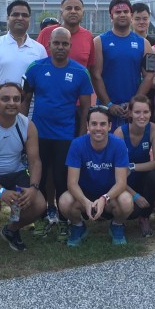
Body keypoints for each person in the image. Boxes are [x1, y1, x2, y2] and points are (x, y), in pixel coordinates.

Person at [22, 26, 93, 225]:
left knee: (63, 178)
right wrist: (21, 130)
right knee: (41, 177)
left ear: (70, 46)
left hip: (66, 135)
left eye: (64, 44)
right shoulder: (35, 68)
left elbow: (86, 108)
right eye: (56, 43)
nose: (60, 47)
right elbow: (25, 101)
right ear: (48, 45)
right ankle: (44, 214)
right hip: (39, 134)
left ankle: (64, 217)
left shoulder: (80, 72)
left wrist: (80, 137)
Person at [0, 83, 47, 256]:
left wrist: (33, 188)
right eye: (5, 99)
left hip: (16, 173)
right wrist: (1, 192)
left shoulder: (27, 125)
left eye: (16, 99)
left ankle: (11, 230)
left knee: (39, 204)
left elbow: (35, 161)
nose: (11, 103)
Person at [60, 106, 134, 247]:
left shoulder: (118, 144)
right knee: (64, 201)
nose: (98, 128)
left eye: (103, 124)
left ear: (109, 126)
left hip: (110, 194)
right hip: (85, 193)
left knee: (126, 201)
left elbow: (121, 183)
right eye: (94, 124)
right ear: (87, 125)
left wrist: (104, 198)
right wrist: (86, 202)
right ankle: (78, 226)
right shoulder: (77, 144)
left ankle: (117, 225)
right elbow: (72, 183)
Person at [91, 0, 151, 127]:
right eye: (118, 12)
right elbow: (96, 75)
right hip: (106, 108)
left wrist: (134, 104)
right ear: (111, 16)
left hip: (133, 111)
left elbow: (149, 76)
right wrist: (109, 104)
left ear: (131, 15)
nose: (122, 14)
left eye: (125, 11)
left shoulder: (145, 44)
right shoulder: (99, 41)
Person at [0, 0, 47, 110]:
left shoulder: (39, 50)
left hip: (29, 114)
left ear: (29, 19)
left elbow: (43, 85)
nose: (20, 18)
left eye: (24, 15)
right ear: (7, 18)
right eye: (15, 14)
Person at [112, 95, 155, 237]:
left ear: (151, 113)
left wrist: (132, 167)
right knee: (130, 211)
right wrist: (135, 196)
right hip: (123, 180)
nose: (142, 116)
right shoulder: (119, 133)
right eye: (137, 112)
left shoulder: (153, 129)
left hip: (141, 175)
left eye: (146, 112)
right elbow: (115, 172)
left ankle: (144, 217)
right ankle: (118, 221)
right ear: (130, 114)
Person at [36, 0, 95, 68]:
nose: (73, 11)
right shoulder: (46, 33)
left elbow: (91, 68)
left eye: (77, 8)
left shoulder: (88, 36)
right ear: (61, 13)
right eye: (69, 8)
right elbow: (36, 60)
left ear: (83, 13)